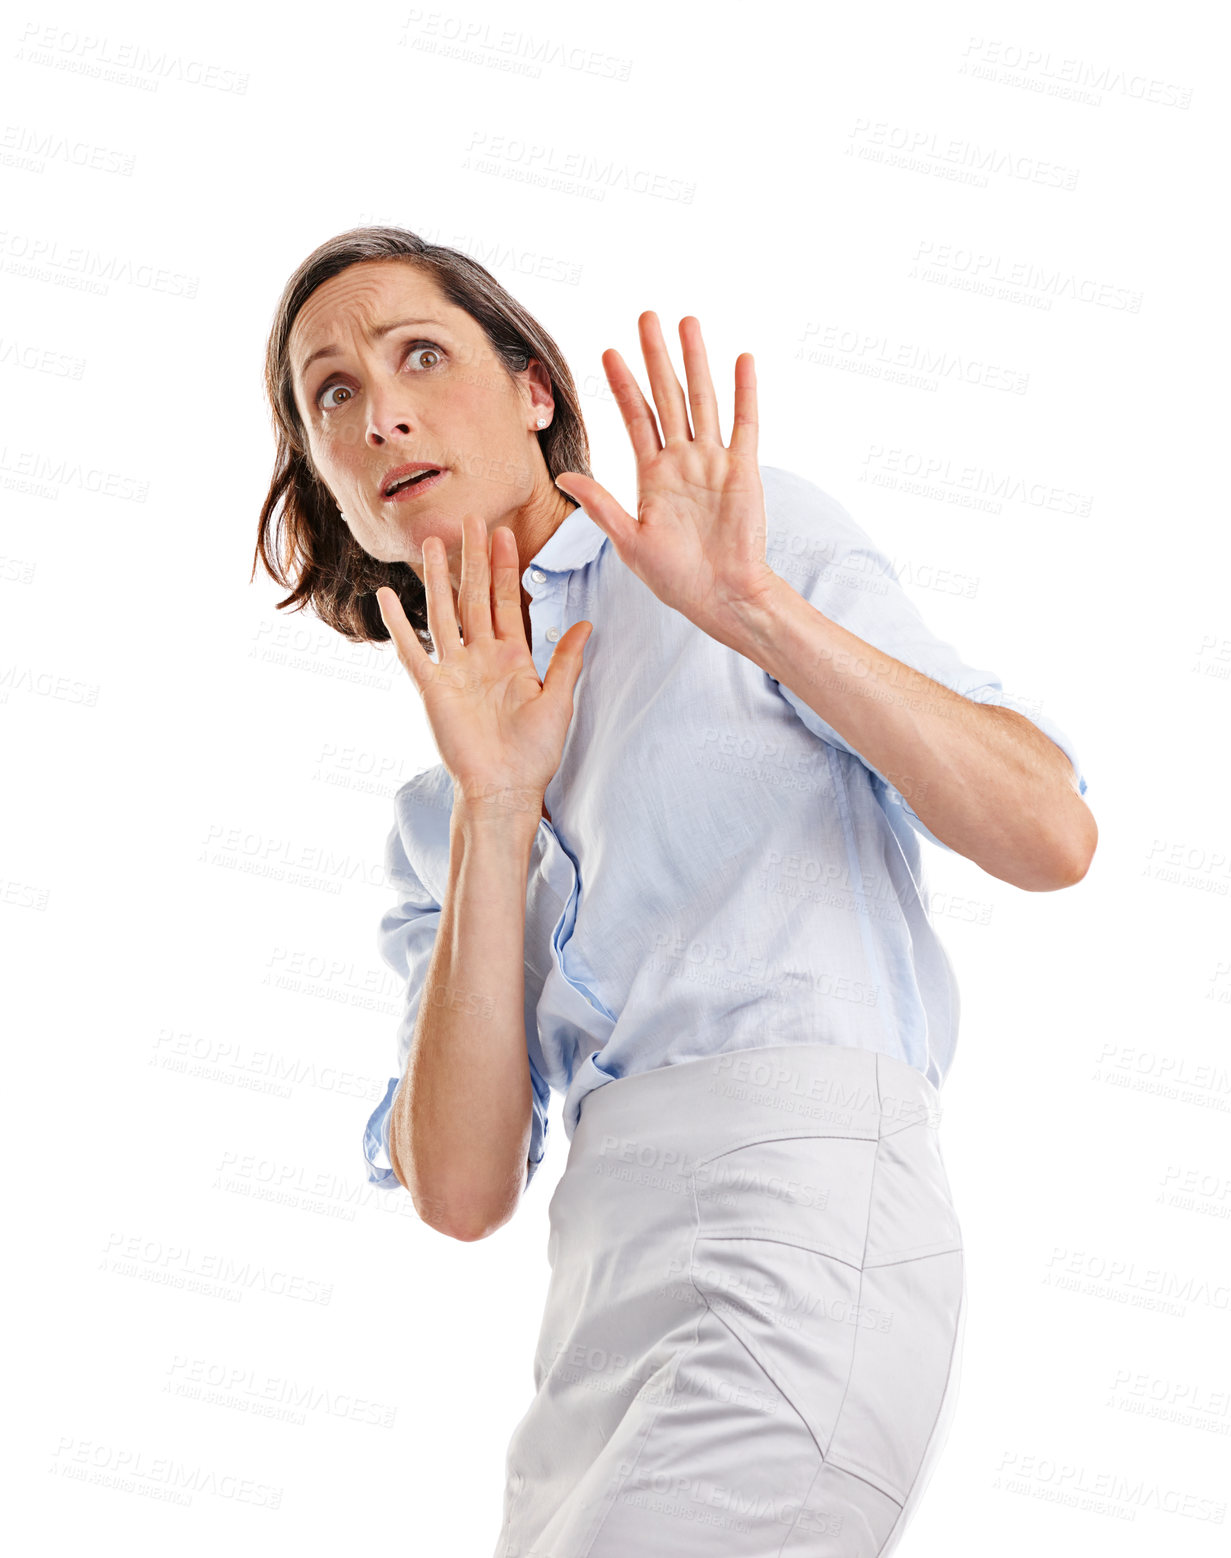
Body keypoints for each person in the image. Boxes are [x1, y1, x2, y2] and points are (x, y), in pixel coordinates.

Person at [254, 227, 1096, 1557]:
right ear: (328, 487)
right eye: (332, 395)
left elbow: (1048, 829)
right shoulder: (437, 820)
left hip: (803, 1229)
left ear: (533, 389)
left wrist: (754, 607)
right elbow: (463, 1190)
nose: (384, 411)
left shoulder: (729, 552)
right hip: (595, 1308)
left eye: (420, 353)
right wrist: (494, 802)